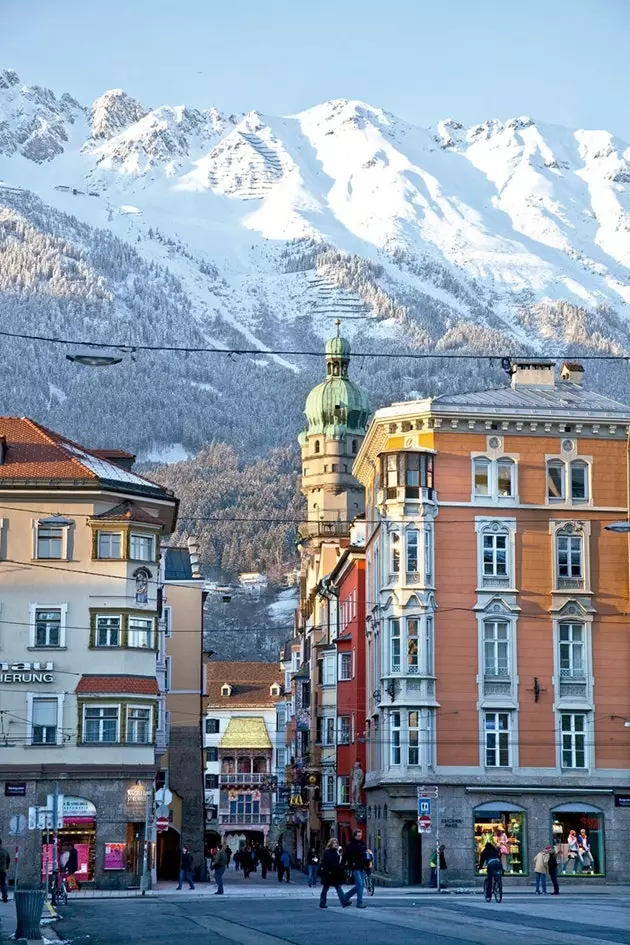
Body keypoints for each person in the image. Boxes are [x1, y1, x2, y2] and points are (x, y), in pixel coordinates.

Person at [319, 839, 351, 909]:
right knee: (325, 888)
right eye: (334, 843)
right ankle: (322, 902)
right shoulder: (327, 852)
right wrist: (329, 870)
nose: (335, 844)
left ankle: (344, 902)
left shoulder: (338, 852)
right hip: (328, 873)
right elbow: (326, 863)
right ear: (331, 844)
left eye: (336, 843)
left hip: (335, 873)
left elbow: (340, 861)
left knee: (338, 887)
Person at [344, 828, 368, 909]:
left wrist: (366, 862)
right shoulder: (351, 845)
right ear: (354, 836)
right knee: (360, 884)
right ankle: (359, 902)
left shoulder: (362, 844)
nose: (360, 837)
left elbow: (364, 854)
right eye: (358, 836)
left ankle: (346, 896)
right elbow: (347, 856)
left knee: (360, 885)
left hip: (361, 866)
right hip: (355, 867)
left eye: (360, 835)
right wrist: (351, 863)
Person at [0, 839, 10, 904]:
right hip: (2, 870)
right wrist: (6, 868)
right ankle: (5, 898)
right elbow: (8, 860)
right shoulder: (5, 851)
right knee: (3, 884)